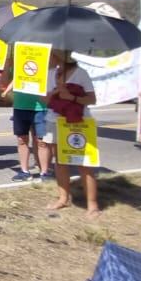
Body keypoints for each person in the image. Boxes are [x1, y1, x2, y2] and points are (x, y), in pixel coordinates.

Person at [45, 53, 99, 218]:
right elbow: (45, 100)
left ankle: (92, 204)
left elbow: (92, 99)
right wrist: (55, 92)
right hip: (54, 121)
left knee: (84, 162)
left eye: (52, 53)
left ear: (60, 56)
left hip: (78, 122)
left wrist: (71, 97)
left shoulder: (80, 73)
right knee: (60, 160)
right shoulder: (51, 74)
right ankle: (63, 198)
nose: (48, 57)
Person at [2, 78, 52, 183]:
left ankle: (44, 172)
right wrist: (7, 91)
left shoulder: (44, 63)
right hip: (20, 107)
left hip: (40, 108)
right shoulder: (19, 63)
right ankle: (24, 171)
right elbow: (13, 78)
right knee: (22, 140)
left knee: (42, 142)